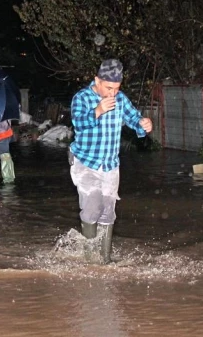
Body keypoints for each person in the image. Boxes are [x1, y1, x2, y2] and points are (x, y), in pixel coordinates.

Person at [69, 59, 152, 264]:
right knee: (92, 207)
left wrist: (143, 124)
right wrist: (98, 110)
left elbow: (133, 118)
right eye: (108, 88)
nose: (112, 93)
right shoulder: (82, 98)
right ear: (97, 80)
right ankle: (89, 260)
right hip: (85, 162)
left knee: (108, 211)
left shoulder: (120, 99)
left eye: (116, 88)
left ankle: (105, 260)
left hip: (110, 165)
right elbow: (78, 123)